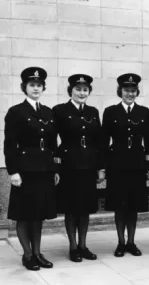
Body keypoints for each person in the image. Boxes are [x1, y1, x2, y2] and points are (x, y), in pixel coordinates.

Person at [4, 67, 60, 270]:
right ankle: (27, 255)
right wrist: (13, 172)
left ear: (43, 88)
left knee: (39, 214)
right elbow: (9, 144)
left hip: (44, 169)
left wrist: (54, 169)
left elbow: (53, 144)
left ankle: (37, 252)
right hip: (25, 170)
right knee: (24, 214)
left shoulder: (47, 112)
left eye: (39, 85)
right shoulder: (16, 112)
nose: (36, 88)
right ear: (24, 87)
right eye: (32, 85)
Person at [52, 74, 105, 262]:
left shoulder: (92, 112)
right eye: (78, 89)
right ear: (71, 91)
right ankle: (73, 246)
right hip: (68, 166)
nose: (81, 93)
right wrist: (56, 167)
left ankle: (83, 245)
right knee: (71, 208)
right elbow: (52, 141)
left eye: (85, 90)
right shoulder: (59, 110)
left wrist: (100, 168)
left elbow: (98, 142)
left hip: (88, 166)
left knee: (85, 208)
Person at [102, 73, 149, 257]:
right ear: (120, 91)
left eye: (133, 91)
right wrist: (103, 166)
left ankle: (131, 242)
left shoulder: (144, 112)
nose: (130, 94)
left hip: (137, 164)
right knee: (119, 205)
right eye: (126, 90)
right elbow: (104, 141)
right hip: (117, 164)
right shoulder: (110, 112)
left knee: (133, 206)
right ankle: (120, 243)